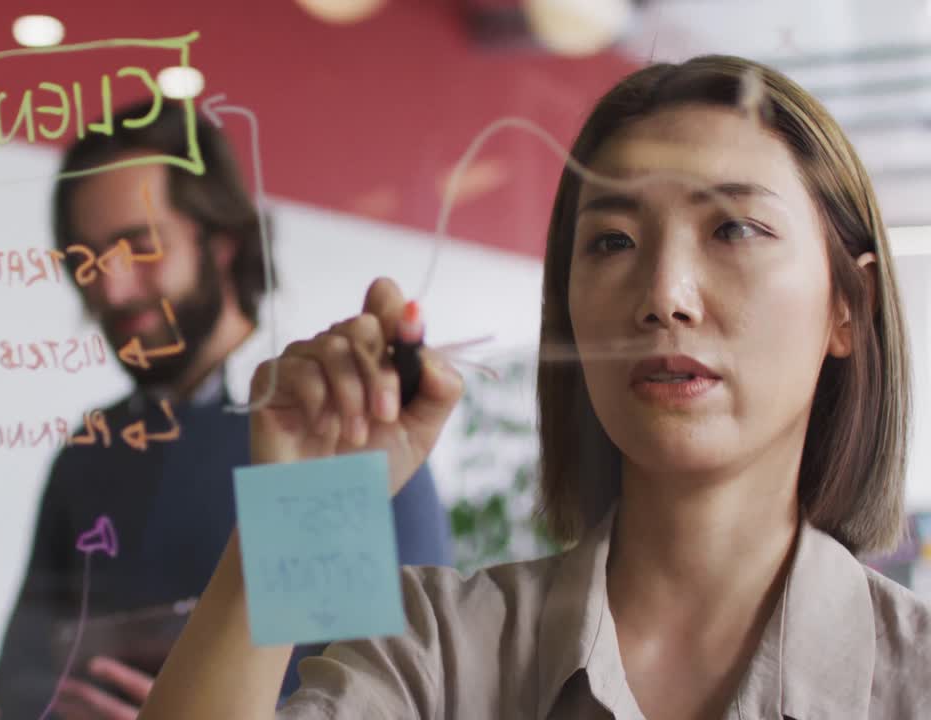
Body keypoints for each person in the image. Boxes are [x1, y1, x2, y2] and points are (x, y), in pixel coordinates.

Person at [138, 54, 931, 719]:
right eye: (612, 241)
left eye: (733, 228)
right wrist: (299, 511)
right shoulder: (440, 653)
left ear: (849, 307)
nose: (665, 295)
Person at [0, 100, 455, 718]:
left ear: (224, 241)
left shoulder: (337, 433)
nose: (111, 287)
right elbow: (14, 685)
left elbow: (403, 698)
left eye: (140, 247)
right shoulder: (89, 455)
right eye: (87, 259)